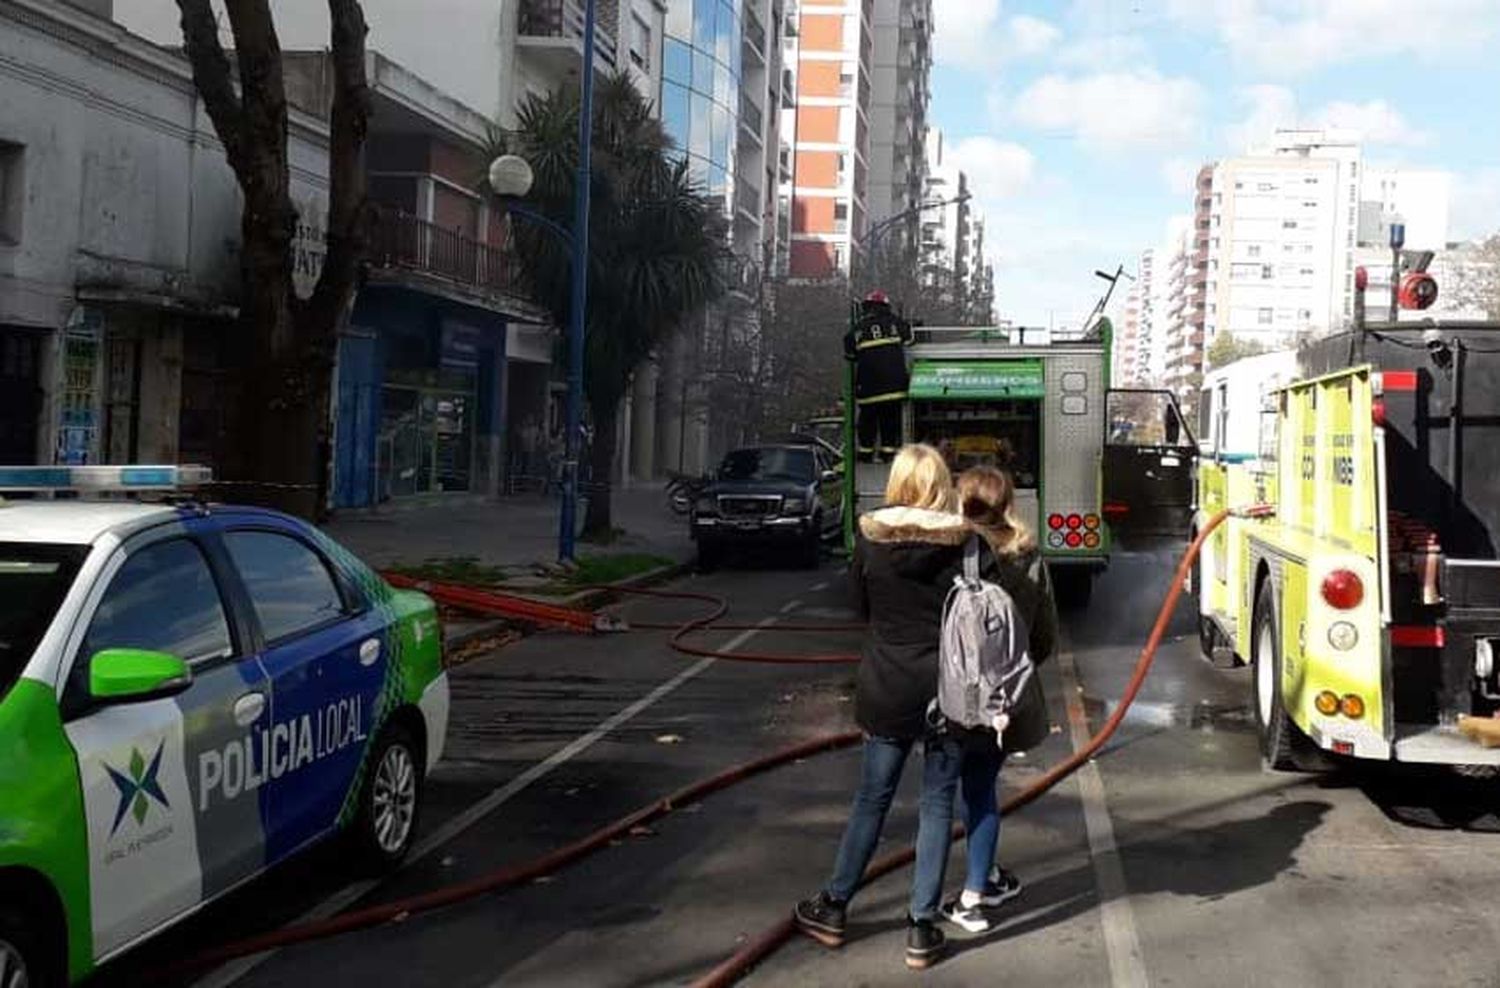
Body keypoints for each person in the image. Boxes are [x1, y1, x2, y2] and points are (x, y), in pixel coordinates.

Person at [793, 444, 970, 971]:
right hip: (949, 689)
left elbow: (858, 608)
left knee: (872, 798)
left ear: (896, 483)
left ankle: (834, 905)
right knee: (938, 803)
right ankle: (921, 927)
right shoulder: (966, 542)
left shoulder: (870, 541)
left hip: (887, 684)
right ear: (941, 484)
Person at [940, 465, 1059, 934]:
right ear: (1008, 501)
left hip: (953, 695)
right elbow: (1045, 634)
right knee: (983, 787)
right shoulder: (1027, 557)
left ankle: (970, 898)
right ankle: (983, 878)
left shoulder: (949, 556)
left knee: (953, 793)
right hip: (1003, 700)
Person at [844, 290, 913, 463]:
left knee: (867, 421)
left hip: (868, 389)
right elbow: (910, 338)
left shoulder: (856, 330)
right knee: (890, 421)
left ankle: (866, 454)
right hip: (894, 387)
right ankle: (888, 454)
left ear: (866, 308)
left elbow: (850, 354)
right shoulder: (896, 324)